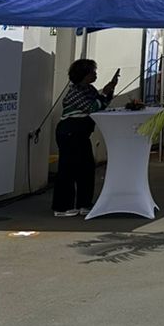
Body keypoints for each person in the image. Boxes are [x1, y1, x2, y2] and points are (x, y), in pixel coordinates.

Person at [52, 58, 118, 216]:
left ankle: (84, 203)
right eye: (92, 72)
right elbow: (92, 107)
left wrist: (109, 91)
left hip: (82, 133)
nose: (95, 75)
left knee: (86, 168)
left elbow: (101, 104)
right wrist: (104, 93)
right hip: (69, 132)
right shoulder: (75, 92)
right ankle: (62, 207)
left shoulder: (89, 89)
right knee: (68, 169)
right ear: (84, 75)